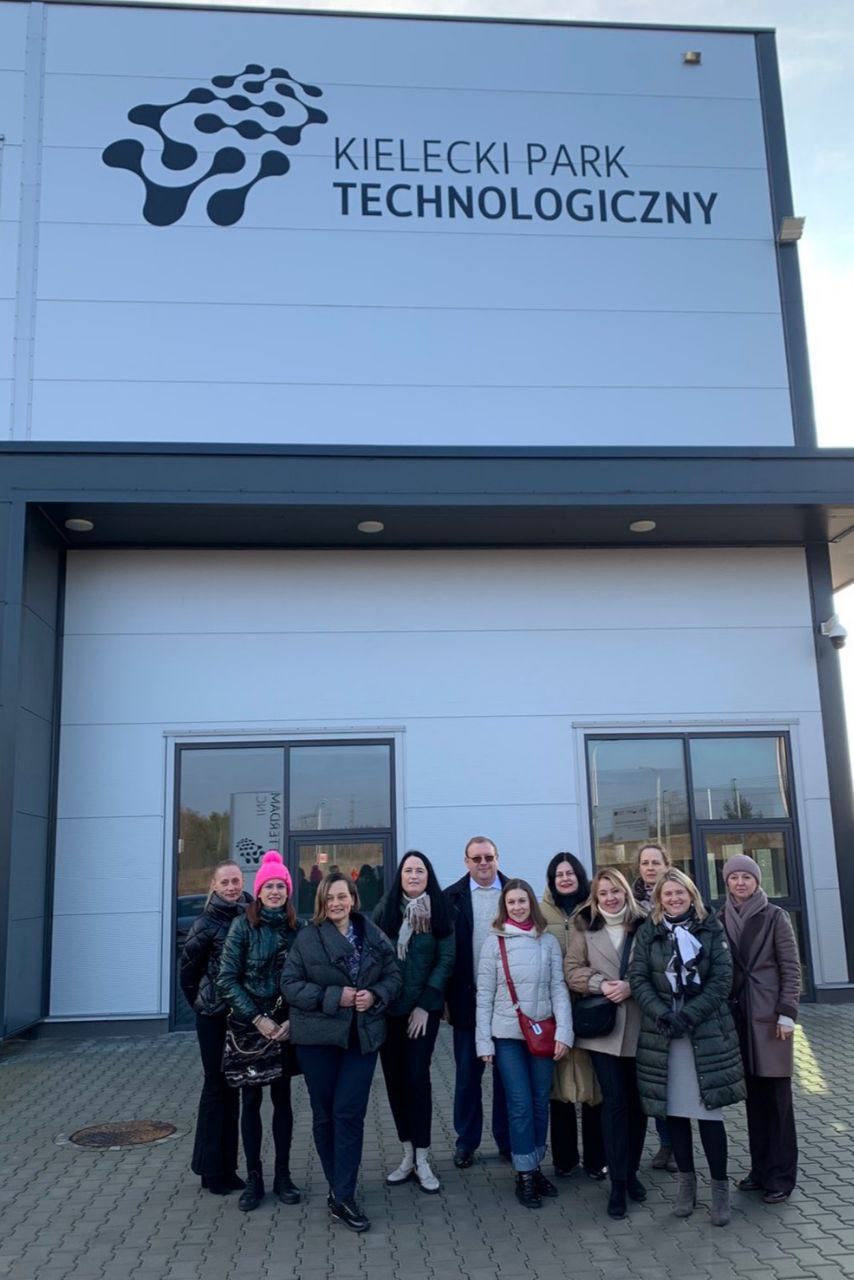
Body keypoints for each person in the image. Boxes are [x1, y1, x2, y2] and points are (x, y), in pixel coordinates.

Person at [282, 872, 401, 1232]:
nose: (336, 903)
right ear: (322, 902)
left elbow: (394, 975)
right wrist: (337, 996)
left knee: (349, 1114)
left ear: (353, 899)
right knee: (325, 1114)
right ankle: (337, 1188)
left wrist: (376, 994)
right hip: (318, 1040)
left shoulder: (372, 934)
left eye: (342, 896)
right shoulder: (307, 938)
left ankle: (344, 1194)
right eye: (330, 897)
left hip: (361, 1039)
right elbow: (290, 985)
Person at [630, 867, 746, 1227]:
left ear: (691, 895)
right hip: (664, 1036)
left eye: (680, 893)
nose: (674, 898)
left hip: (704, 1034)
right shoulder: (648, 932)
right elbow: (638, 978)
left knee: (709, 1116)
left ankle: (720, 1191)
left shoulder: (710, 928)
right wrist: (663, 1013)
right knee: (675, 1114)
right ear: (659, 899)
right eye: (668, 894)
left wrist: (690, 1014)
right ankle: (686, 1186)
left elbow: (722, 979)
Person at [476, 879, 573, 1208]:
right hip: (507, 1037)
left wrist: (564, 1032)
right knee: (519, 1104)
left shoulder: (547, 942)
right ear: (504, 907)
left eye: (522, 901)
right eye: (511, 902)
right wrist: (483, 1042)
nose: (517, 907)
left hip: (542, 1033)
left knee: (539, 1102)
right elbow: (484, 995)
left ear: (531, 902)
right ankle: (524, 1174)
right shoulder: (494, 943)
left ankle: (535, 1164)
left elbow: (559, 988)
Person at [217, 851, 301, 1212]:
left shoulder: (298, 928)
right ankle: (254, 1177)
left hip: (284, 1029)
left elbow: (308, 978)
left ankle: (283, 1175)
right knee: (250, 1102)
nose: (275, 891)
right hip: (249, 1029)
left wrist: (292, 1020)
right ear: (260, 890)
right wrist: (257, 1018)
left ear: (288, 891)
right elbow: (226, 980)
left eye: (281, 886)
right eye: (269, 886)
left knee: (283, 1101)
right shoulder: (242, 927)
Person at [565, 867, 647, 1220]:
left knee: (638, 1106)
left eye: (615, 891)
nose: (610, 898)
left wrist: (632, 986)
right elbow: (571, 970)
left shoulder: (645, 923)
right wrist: (601, 984)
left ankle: (632, 1172)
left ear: (625, 891)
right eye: (603, 893)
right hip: (605, 1032)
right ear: (595, 898)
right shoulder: (584, 925)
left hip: (642, 1027)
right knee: (614, 1104)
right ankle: (617, 1182)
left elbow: (659, 966)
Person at [373, 851, 456, 1193]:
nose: (413, 875)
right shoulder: (386, 909)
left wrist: (425, 1005)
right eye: (408, 870)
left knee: (416, 1079)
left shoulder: (440, 910)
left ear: (428, 875)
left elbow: (446, 959)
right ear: (400, 876)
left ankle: (423, 1157)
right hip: (389, 1011)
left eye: (420, 870)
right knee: (394, 1081)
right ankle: (407, 1153)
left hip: (423, 1011)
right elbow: (373, 954)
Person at [720, 853, 800, 1204]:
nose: (740, 883)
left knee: (777, 1101)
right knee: (754, 1101)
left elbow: (791, 967)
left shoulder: (774, 916)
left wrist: (787, 1012)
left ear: (757, 881)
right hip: (739, 1018)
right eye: (734, 877)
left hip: (770, 1020)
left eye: (747, 877)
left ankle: (781, 1176)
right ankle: (759, 1169)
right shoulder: (721, 918)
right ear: (726, 882)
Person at [179, 860, 252, 1195]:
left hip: (240, 1015)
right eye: (225, 882)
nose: (232, 887)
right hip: (213, 1017)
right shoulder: (205, 923)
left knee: (232, 1088)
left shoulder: (250, 914)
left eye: (235, 881)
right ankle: (209, 1169)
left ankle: (228, 1166)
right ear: (214, 885)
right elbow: (188, 973)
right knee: (215, 1088)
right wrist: (203, 1003)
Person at [539, 853, 606, 1181]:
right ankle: (565, 1159)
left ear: (580, 876)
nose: (565, 879)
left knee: (595, 1088)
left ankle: (597, 1159)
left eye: (570, 873)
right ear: (551, 880)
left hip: (592, 1006)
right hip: (555, 1009)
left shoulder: (595, 908)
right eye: (559, 874)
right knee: (559, 1088)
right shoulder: (540, 912)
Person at [444, 836, 511, 1167]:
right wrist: (444, 1000)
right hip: (466, 1001)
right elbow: (443, 954)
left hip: (509, 1003)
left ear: (497, 858)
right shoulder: (450, 898)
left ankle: (507, 1141)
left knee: (507, 1077)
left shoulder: (515, 893)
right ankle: (466, 1141)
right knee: (467, 1078)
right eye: (477, 858)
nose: (483, 863)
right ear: (466, 861)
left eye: (489, 857)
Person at [632, 842, 677, 1172]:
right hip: (639, 998)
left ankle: (674, 1145)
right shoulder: (630, 901)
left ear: (666, 865)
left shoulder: (676, 896)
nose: (650, 868)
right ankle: (659, 1143)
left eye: (655, 862)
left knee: (672, 1078)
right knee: (651, 1077)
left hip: (670, 998)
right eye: (645, 863)